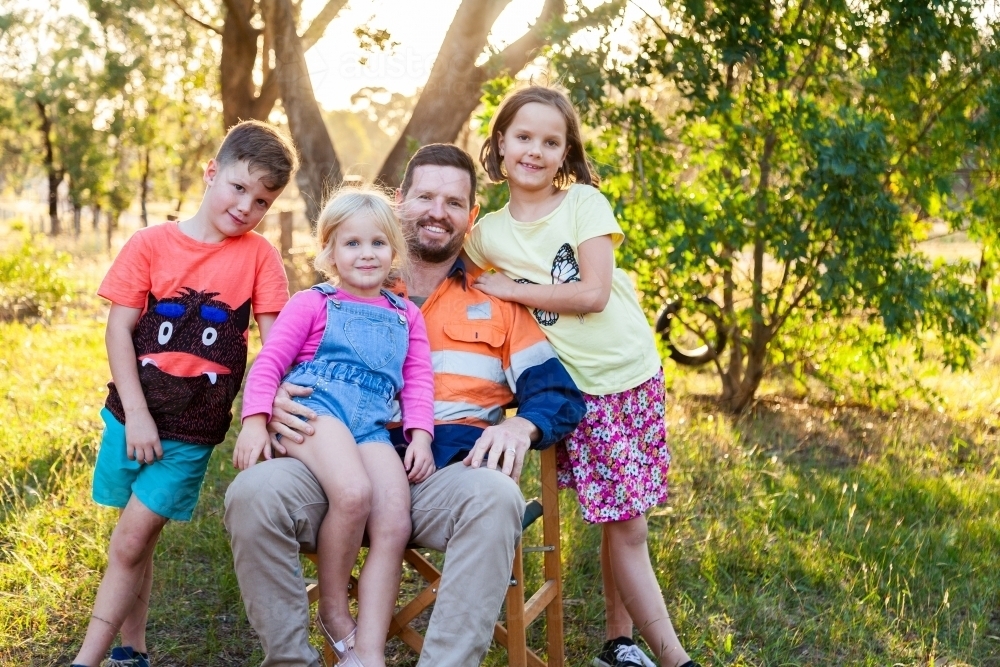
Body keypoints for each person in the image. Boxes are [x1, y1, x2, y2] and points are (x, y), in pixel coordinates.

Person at [223, 143, 585, 667]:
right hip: (332, 471)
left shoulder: (500, 300)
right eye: (426, 197)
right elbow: (280, 358)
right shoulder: (352, 275)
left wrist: (521, 427)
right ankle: (292, 661)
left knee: (497, 497)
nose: (438, 212)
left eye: (454, 202)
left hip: (441, 478)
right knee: (254, 492)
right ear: (399, 201)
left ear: (471, 215)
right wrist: (273, 399)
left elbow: (557, 394)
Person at [464, 85, 700, 667]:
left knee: (624, 518)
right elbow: (439, 264)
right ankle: (675, 660)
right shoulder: (488, 233)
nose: (535, 152)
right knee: (627, 522)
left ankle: (619, 643)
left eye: (551, 141)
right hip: (582, 389)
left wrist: (513, 289)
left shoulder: (584, 204)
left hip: (635, 373)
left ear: (566, 151)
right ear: (499, 143)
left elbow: (592, 294)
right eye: (523, 137)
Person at [70, 120, 298, 667]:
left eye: (262, 200)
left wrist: (260, 416)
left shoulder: (259, 258)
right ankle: (133, 650)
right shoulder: (149, 244)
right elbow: (118, 331)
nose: (246, 207)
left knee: (129, 541)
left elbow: (277, 346)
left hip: (193, 428)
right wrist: (140, 416)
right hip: (131, 414)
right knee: (135, 540)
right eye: (238, 187)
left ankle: (86, 660)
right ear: (211, 172)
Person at [233, 188, 436, 667]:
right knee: (352, 493)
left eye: (377, 244)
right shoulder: (313, 302)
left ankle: (367, 652)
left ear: (394, 251)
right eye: (352, 244)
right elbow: (269, 363)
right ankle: (332, 609)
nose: (366, 254)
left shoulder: (407, 315)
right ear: (328, 251)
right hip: (315, 410)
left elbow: (418, 381)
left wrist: (420, 436)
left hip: (370, 425)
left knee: (394, 521)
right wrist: (255, 422)